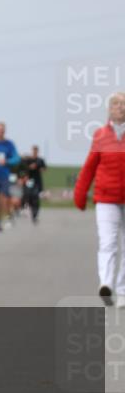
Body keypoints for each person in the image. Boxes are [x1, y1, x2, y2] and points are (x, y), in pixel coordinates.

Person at [74, 91, 125, 307]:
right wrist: (80, 193)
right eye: (116, 104)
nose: (120, 107)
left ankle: (123, 291)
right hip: (106, 197)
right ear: (109, 110)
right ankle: (106, 284)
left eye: (123, 104)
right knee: (108, 243)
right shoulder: (101, 135)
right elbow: (90, 166)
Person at [20, 145, 47, 224]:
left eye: (36, 151)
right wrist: (29, 167)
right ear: (32, 151)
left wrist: (41, 169)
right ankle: (24, 208)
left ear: (37, 151)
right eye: (33, 151)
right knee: (27, 195)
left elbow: (44, 169)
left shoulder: (40, 160)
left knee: (35, 197)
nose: (35, 152)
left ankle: (35, 215)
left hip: (37, 181)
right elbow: (23, 168)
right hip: (29, 180)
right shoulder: (28, 160)